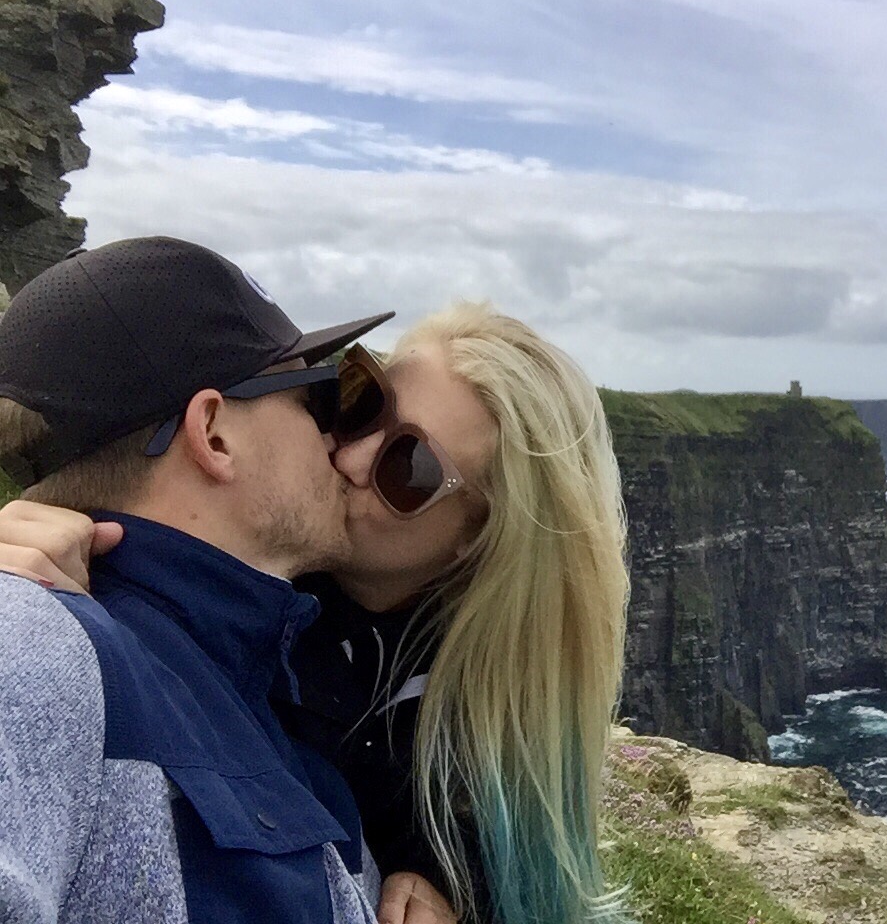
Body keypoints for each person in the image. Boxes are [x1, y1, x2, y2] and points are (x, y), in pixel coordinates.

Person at [0, 302, 633, 923]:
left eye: (409, 467)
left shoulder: (484, 697)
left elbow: (517, 855)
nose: (348, 457)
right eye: (360, 403)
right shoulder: (232, 587)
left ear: (481, 537)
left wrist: (449, 875)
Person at [0, 237, 395, 922]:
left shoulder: (275, 694)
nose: (340, 444)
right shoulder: (36, 643)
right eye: (318, 401)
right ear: (214, 434)